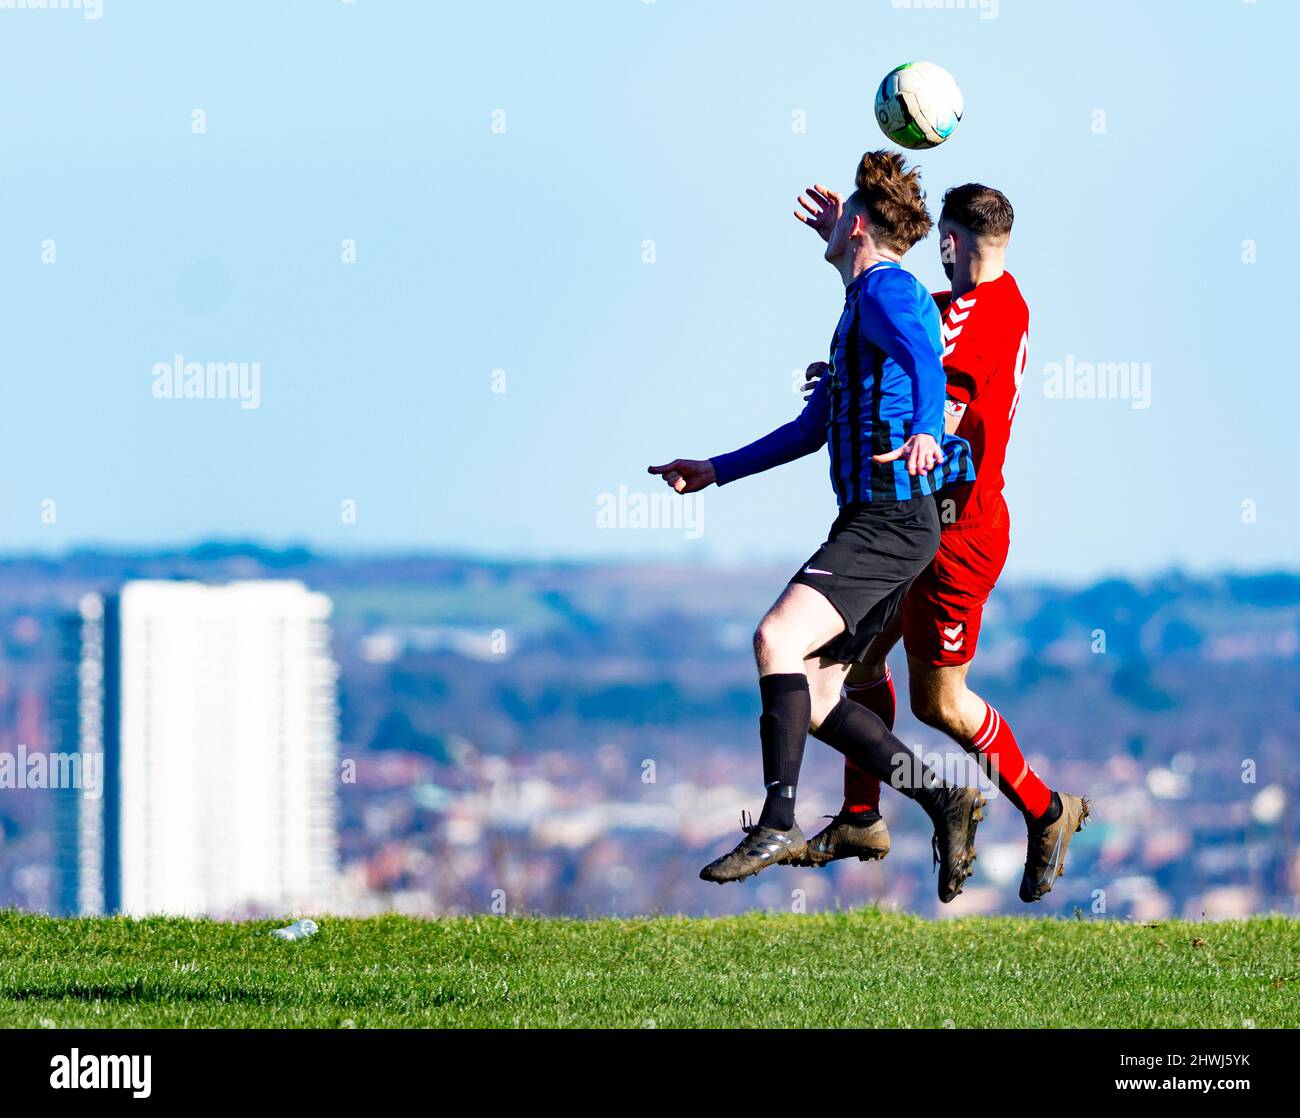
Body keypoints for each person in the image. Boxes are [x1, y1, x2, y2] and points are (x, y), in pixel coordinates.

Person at [649, 152, 983, 903]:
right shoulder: (862, 299)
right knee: (824, 697)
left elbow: (926, 361)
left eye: (840, 224)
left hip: (890, 520)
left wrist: (928, 428)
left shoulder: (885, 292)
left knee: (775, 640)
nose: (824, 231)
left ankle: (777, 819)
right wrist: (716, 468)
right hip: (892, 523)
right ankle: (945, 800)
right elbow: (811, 432)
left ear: (857, 226)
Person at [793, 181, 1090, 902]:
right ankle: (862, 816)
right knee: (856, 655)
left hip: (957, 537)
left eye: (941, 246)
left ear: (952, 243)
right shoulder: (997, 297)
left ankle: (1047, 809)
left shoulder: (969, 327)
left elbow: (941, 411)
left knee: (940, 703)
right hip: (920, 526)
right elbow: (914, 330)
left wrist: (870, 420)